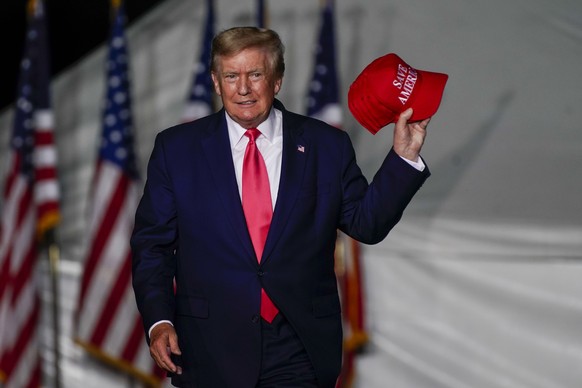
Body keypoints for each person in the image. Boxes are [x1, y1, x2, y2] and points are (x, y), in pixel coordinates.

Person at [131, 26, 432, 388]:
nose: (243, 88)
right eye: (231, 76)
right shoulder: (176, 149)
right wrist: (158, 321)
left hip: (298, 345)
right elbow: (153, 247)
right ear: (215, 81)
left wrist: (404, 157)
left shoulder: (326, 145)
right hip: (209, 346)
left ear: (276, 81)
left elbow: (366, 224)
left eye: (255, 74)